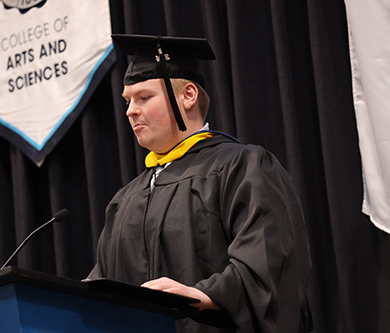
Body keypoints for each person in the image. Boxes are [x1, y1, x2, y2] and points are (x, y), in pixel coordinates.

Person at [88, 34, 312, 332]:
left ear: (188, 95)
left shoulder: (241, 167)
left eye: (144, 97)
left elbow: (271, 261)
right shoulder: (124, 200)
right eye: (127, 101)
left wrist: (208, 295)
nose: (130, 111)